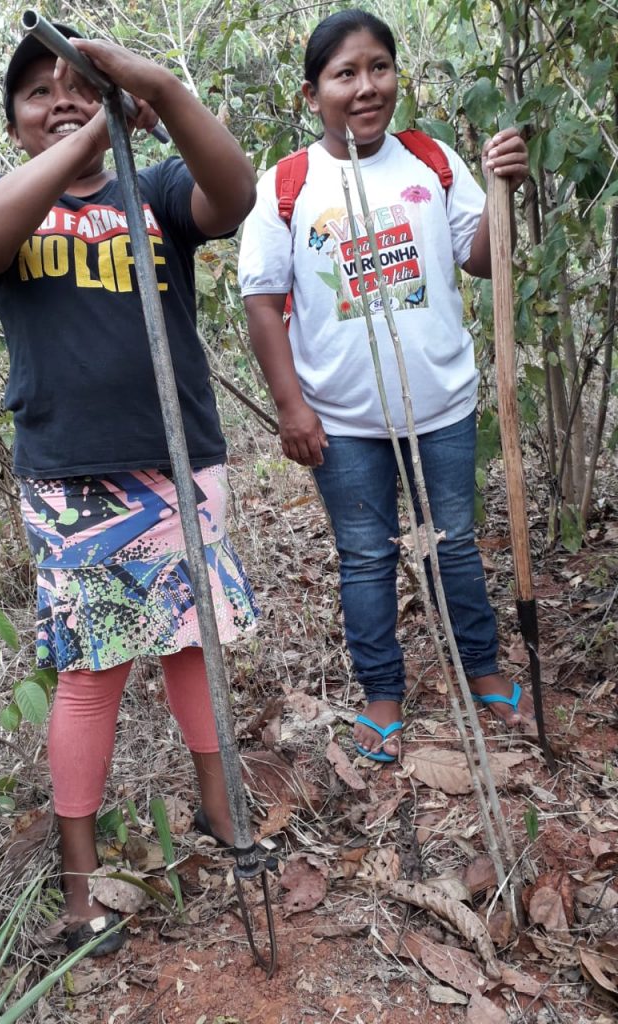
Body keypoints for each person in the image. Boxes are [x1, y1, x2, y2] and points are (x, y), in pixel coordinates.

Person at [0, 24, 259, 954]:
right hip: (74, 483)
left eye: (80, 85)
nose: (62, 100)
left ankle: (225, 814)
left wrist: (159, 88)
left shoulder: (152, 191)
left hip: (178, 461)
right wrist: (95, 128)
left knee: (195, 644)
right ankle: (79, 895)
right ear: (13, 123)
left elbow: (234, 196)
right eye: (38, 93)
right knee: (90, 675)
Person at [238, 8, 534, 764]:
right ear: (313, 94)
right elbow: (263, 301)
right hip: (342, 421)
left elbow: (480, 259)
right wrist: (291, 407)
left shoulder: (430, 161)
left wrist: (503, 189)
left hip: (441, 405)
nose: (366, 87)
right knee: (367, 556)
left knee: (454, 546)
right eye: (345, 74)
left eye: (379, 68)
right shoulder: (288, 186)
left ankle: (484, 670)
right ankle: (382, 694)